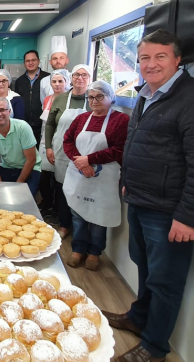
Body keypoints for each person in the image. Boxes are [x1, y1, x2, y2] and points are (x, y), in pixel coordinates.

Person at [105, 29, 194, 362]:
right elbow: (137, 144)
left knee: (166, 282)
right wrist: (127, 183)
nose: (151, 64)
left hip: (170, 210)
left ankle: (154, 347)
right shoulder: (146, 95)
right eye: (144, 57)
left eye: (160, 57)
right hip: (142, 201)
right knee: (146, 268)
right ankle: (138, 318)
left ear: (177, 59)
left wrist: (189, 217)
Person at [61, 80, 129, 271]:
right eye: (91, 97)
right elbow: (68, 141)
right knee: (78, 214)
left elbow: (120, 149)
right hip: (79, 173)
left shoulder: (121, 120)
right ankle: (78, 249)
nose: (94, 101)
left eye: (100, 97)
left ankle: (94, 252)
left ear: (110, 97)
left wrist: (89, 159)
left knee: (99, 216)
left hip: (103, 178)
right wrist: (79, 162)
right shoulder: (82, 119)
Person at [45, 64, 92, 237]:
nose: (80, 78)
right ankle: (64, 224)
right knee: (62, 188)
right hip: (61, 150)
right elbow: (50, 123)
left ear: (90, 78)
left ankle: (80, 228)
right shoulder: (60, 98)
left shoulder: (93, 98)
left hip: (85, 152)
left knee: (81, 189)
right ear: (71, 78)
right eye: (76, 75)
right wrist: (49, 147)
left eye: (84, 75)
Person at [0, 97, 42, 196]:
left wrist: (18, 185)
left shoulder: (23, 127)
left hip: (30, 168)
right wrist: (0, 186)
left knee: (23, 198)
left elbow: (31, 160)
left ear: (9, 111)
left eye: (2, 110)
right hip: (7, 166)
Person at [37, 69, 70, 226]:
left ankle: (58, 210)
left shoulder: (69, 100)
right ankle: (47, 203)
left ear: (66, 82)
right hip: (45, 142)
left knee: (58, 179)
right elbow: (47, 124)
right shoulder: (48, 99)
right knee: (43, 177)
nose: (57, 84)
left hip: (61, 144)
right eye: (54, 81)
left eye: (60, 81)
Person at [13, 49, 50, 146]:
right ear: (24, 63)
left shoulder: (48, 78)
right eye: (27, 61)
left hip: (42, 123)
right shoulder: (19, 81)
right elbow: (17, 103)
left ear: (38, 61)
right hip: (24, 124)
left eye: (33, 60)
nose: (30, 63)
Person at [40, 36, 70, 103]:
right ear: (50, 62)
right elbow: (44, 103)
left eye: (61, 58)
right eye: (55, 58)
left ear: (67, 60)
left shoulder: (74, 79)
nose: (58, 61)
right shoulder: (44, 81)